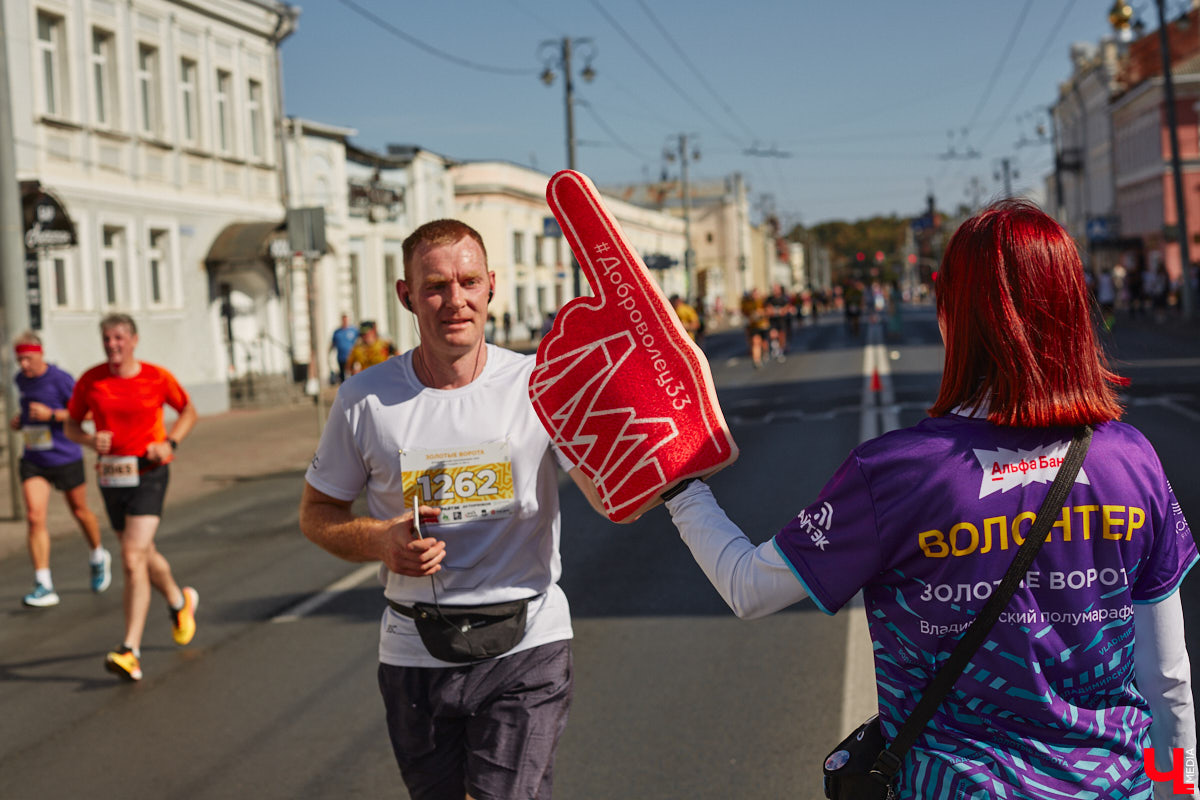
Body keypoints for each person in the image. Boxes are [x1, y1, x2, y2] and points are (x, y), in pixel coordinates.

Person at [661, 201, 1197, 798]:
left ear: (953, 317)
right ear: (1073, 309)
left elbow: (747, 588)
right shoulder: (1131, 458)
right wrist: (1180, 790)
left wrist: (681, 489)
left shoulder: (897, 471)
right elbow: (1166, 678)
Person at [300, 219, 597, 800]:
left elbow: (612, 484)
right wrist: (379, 541)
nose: (454, 301)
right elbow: (317, 513)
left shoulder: (539, 383)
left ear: (491, 286)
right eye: (435, 286)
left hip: (528, 642)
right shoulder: (366, 399)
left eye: (467, 282)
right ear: (406, 294)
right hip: (416, 652)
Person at [65, 314, 199, 682]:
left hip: (149, 472)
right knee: (142, 552)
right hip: (111, 476)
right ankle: (178, 601)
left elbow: (188, 409)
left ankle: (130, 650)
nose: (113, 345)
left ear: (134, 340)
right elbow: (71, 425)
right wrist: (90, 441)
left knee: (130, 556)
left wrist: (169, 443)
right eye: (107, 339)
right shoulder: (91, 381)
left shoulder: (156, 377)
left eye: (119, 338)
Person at [9, 331, 110, 607]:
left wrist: (52, 415)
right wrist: (21, 422)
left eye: (28, 358)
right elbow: (29, 411)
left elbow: (86, 412)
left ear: (40, 353)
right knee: (34, 516)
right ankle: (44, 583)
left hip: (64, 456)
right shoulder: (21, 380)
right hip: (34, 458)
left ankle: (98, 554)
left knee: (79, 511)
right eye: (20, 360)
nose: (24, 365)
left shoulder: (61, 379)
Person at [740, 289, 770, 368]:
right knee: (755, 342)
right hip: (753, 326)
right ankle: (756, 361)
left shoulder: (763, 302)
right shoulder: (748, 303)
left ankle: (765, 352)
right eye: (754, 294)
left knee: (764, 343)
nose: (755, 296)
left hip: (763, 325)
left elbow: (769, 311)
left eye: (756, 294)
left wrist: (761, 312)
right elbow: (744, 313)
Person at [764, 284, 793, 360]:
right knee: (773, 335)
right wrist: (776, 311)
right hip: (773, 321)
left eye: (777, 289)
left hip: (782, 321)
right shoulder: (769, 299)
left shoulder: (784, 298)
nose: (775, 291)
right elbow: (768, 310)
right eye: (774, 289)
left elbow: (787, 309)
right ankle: (775, 348)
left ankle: (781, 350)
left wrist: (779, 311)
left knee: (782, 336)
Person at [330, 313, 359, 383]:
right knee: (342, 375)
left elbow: (359, 340)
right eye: (343, 320)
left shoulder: (353, 330)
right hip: (341, 357)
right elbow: (333, 344)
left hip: (351, 357)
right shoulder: (337, 332)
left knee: (352, 374)